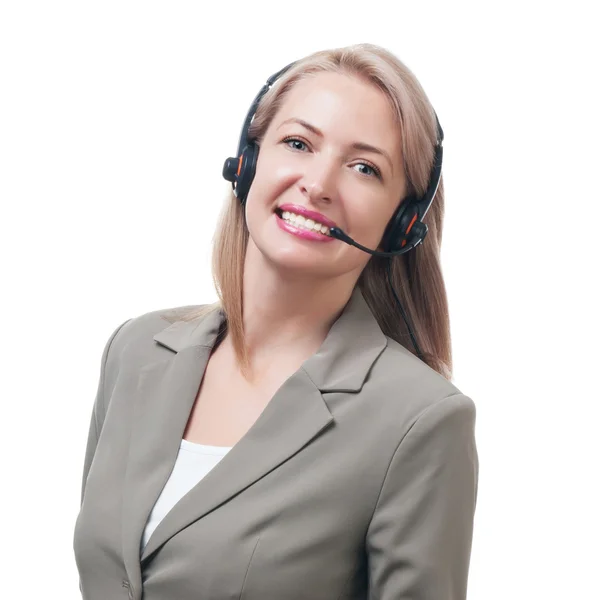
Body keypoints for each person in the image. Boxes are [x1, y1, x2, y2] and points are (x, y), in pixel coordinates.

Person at [73, 42, 479, 600]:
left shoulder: (420, 423)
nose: (318, 183)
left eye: (364, 167)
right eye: (298, 143)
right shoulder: (136, 350)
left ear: (402, 223)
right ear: (247, 161)